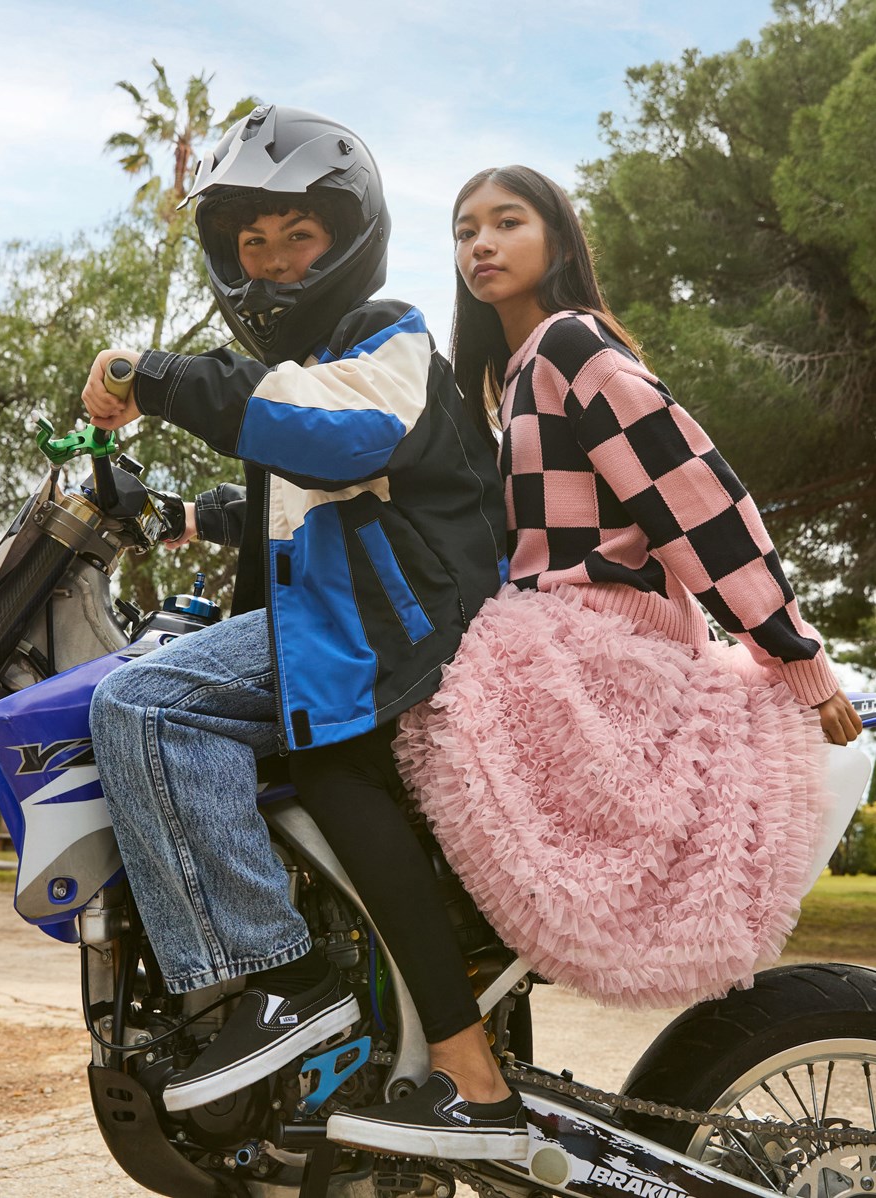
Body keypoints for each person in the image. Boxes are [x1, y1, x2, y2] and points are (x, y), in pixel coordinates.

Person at [82, 106, 529, 1160]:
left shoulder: (390, 332)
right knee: (334, 785)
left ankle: (288, 986)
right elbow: (313, 502)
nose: (274, 262)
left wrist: (150, 375)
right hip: (368, 621)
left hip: (409, 627)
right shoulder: (312, 370)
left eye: (297, 238)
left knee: (142, 702)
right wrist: (194, 518)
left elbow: (334, 441)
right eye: (252, 243)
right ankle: (466, 1071)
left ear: (346, 240)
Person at [369, 165, 863, 1026]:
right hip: (563, 640)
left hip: (596, 644)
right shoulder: (516, 374)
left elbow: (695, 497)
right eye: (463, 230)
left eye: (506, 222)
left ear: (557, 238)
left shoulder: (571, 345)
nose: (479, 243)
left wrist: (793, 652)